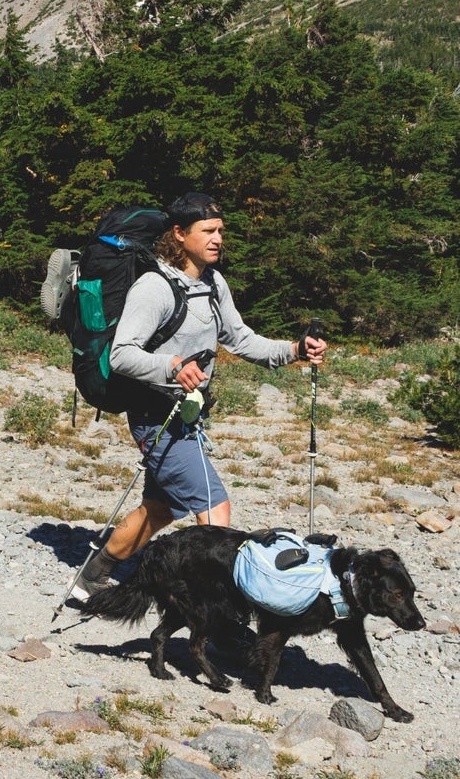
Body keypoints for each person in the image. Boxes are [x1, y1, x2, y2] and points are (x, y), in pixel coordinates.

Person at [71, 191, 327, 601]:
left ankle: (95, 572)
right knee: (215, 509)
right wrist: (172, 366)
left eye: (221, 230)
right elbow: (121, 354)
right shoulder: (153, 288)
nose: (218, 238)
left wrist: (293, 352)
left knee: (162, 509)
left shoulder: (211, 282)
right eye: (207, 231)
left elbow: (240, 339)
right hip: (155, 415)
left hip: (186, 416)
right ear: (179, 234)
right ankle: (215, 608)